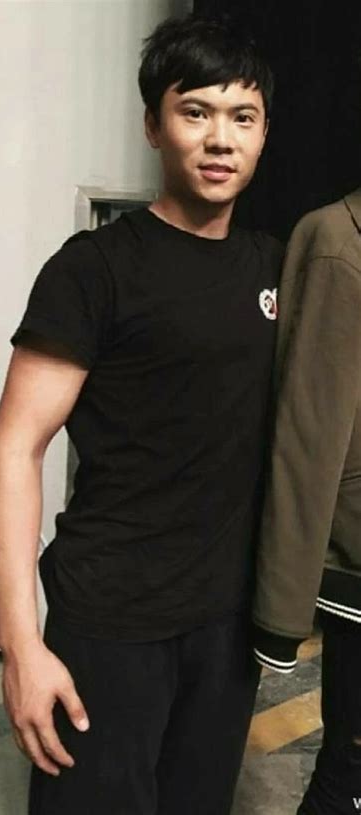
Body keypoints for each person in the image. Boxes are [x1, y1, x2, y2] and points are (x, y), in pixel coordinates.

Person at [0, 14, 283, 815]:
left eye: (242, 117)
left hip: (225, 628)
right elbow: (13, 451)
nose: (219, 139)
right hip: (108, 622)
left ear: (263, 134)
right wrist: (21, 647)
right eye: (195, 112)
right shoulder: (94, 270)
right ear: (153, 125)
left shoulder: (276, 267)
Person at [252, 189, 361, 814]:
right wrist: (281, 616)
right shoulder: (337, 241)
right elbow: (307, 434)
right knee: (349, 773)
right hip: (355, 561)